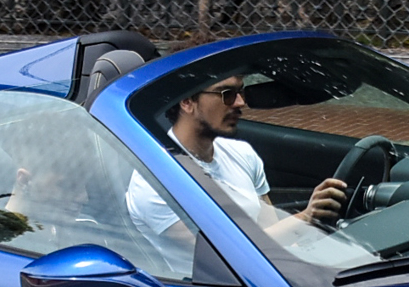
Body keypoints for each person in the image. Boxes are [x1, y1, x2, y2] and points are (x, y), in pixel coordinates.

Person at [127, 72, 349, 239]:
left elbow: (269, 231)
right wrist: (303, 218)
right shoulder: (153, 184)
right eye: (227, 94)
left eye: (240, 92)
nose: (240, 103)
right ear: (186, 101)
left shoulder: (242, 153)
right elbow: (222, 259)